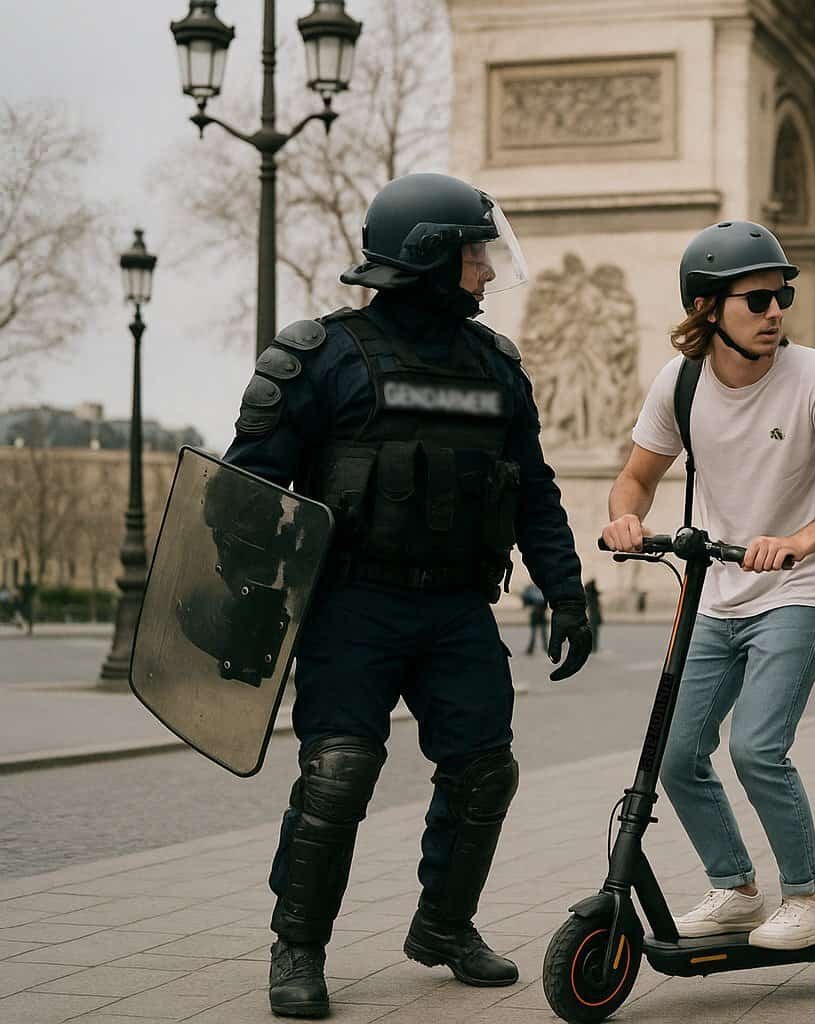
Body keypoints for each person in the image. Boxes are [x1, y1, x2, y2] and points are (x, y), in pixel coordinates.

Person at [223, 172, 594, 1018]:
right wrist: (244, 610)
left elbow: (532, 489)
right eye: (474, 255)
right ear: (428, 257)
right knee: (339, 773)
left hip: (459, 610)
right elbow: (247, 498)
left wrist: (567, 594)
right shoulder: (318, 358)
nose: (489, 271)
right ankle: (299, 947)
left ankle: (443, 925)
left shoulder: (496, 364)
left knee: (484, 772)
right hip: (354, 608)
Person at [601, 220, 815, 951]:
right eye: (757, 299)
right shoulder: (681, 381)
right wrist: (627, 520)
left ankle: (806, 897)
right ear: (707, 309)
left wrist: (798, 542)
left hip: (798, 589)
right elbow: (635, 478)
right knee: (677, 752)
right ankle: (734, 889)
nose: (776, 311)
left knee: (758, 748)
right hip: (718, 592)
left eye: (782, 295)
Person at [522, 582, 548, 655]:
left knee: (538, 633)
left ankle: (532, 648)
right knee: (540, 633)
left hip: (538, 614)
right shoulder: (540, 589)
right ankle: (542, 648)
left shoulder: (533, 589)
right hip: (539, 614)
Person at [584, 578, 604, 652]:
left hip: (592, 616)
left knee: (593, 633)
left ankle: (593, 647)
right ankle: (593, 648)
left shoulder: (588, 595)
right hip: (593, 616)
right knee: (594, 633)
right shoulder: (592, 596)